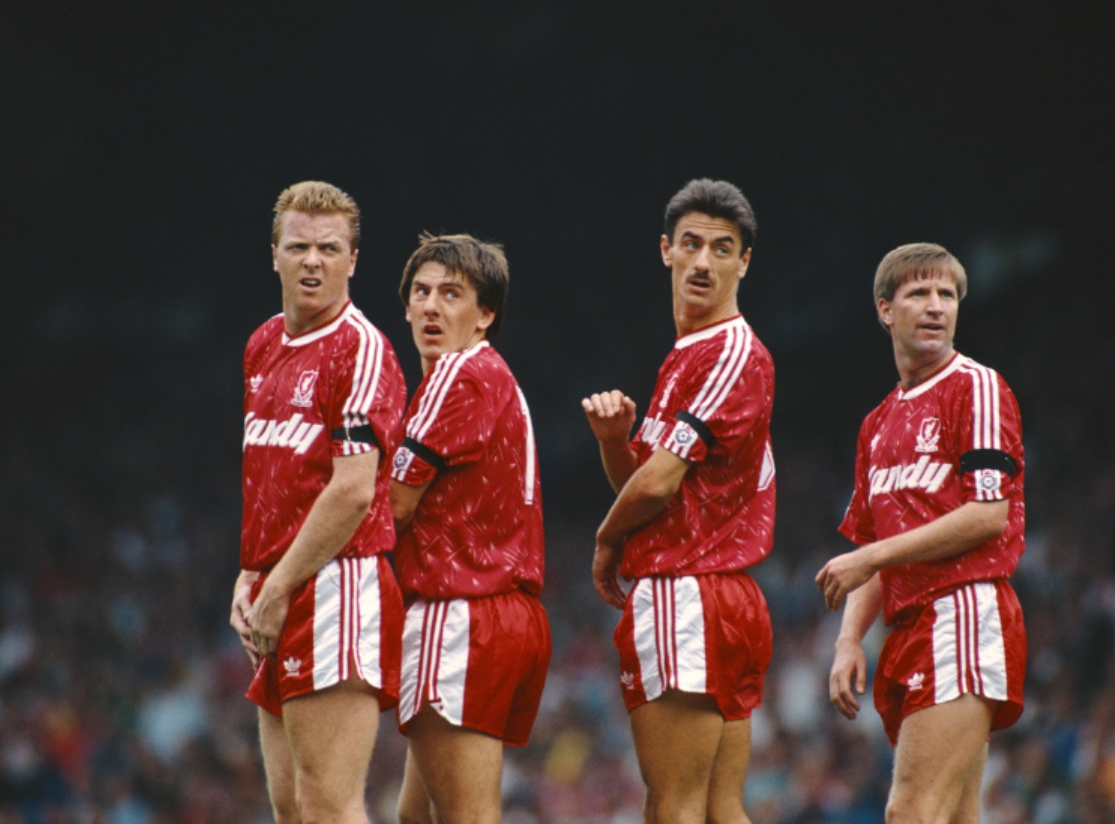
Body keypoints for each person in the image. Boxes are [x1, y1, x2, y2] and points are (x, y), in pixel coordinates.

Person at [583, 179, 775, 824]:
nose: (703, 261)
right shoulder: (690, 356)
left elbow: (658, 485)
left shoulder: (726, 350)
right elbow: (647, 487)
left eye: (722, 249)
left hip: (689, 592)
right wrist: (615, 443)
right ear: (666, 250)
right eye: (690, 245)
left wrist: (608, 541)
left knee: (674, 809)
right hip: (718, 593)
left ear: (744, 262)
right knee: (718, 809)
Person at [815, 242, 1027, 824]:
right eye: (918, 293)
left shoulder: (975, 386)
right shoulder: (876, 424)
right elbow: (870, 549)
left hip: (962, 613)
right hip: (911, 627)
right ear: (886, 310)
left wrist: (873, 558)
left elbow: (989, 513)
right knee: (955, 817)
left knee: (909, 812)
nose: (935, 307)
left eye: (947, 295)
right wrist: (848, 640)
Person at [229, 181, 407, 824]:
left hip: (337, 584)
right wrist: (251, 572)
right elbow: (270, 474)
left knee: (329, 806)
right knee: (290, 807)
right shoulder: (262, 344)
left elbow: (354, 488)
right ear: (273, 253)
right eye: (298, 246)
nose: (313, 261)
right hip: (279, 582)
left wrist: (276, 586)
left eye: (329, 249)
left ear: (353, 260)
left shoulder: (359, 348)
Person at [388, 234, 550, 824]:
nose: (431, 306)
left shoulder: (454, 375)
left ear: (486, 316)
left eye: (451, 294)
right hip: (508, 616)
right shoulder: (495, 377)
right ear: (405, 306)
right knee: (416, 816)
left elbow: (393, 508)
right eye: (421, 292)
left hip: (460, 613)